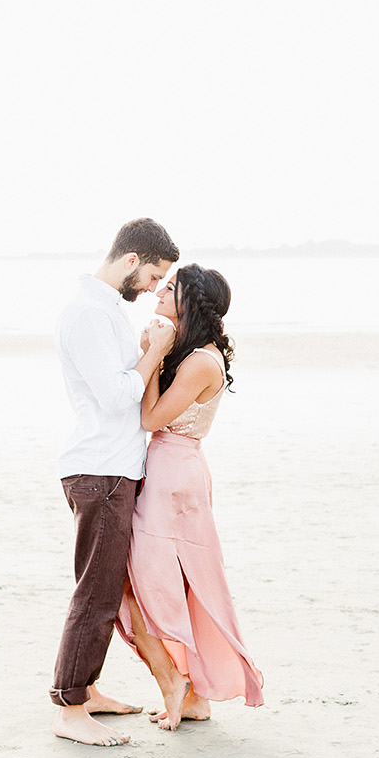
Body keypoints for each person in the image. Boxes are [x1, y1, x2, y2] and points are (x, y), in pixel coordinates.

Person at [49, 218, 179, 747]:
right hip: (99, 470)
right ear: (131, 261)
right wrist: (156, 352)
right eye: (152, 276)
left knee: (105, 588)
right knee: (97, 592)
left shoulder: (103, 311)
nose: (152, 288)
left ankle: (88, 688)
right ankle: (70, 708)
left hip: (113, 467)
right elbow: (117, 395)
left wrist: (145, 349)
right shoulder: (87, 313)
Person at [117, 263, 264, 730]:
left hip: (174, 475)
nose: (160, 291)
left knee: (152, 584)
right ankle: (193, 692)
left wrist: (155, 357)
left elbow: (152, 418)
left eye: (171, 288)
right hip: (170, 472)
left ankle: (183, 686)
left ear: (191, 304)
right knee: (171, 583)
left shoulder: (201, 360)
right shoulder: (193, 353)